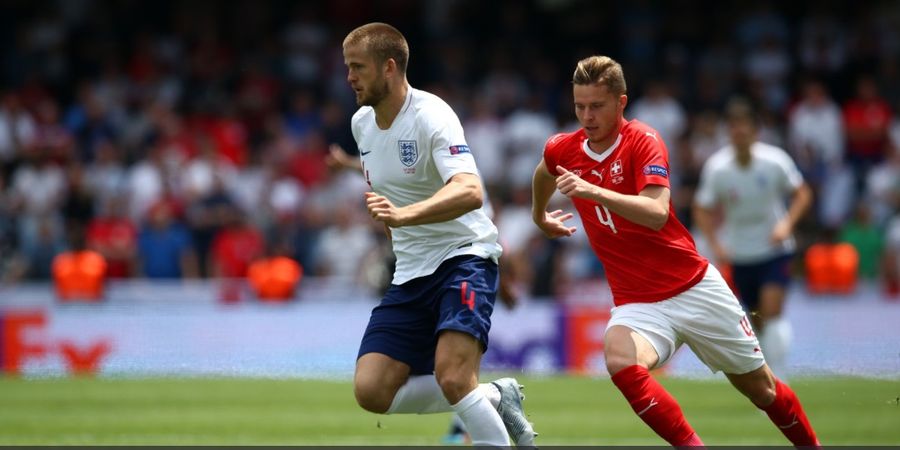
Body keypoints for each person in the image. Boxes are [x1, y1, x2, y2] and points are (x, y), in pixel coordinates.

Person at [531, 55, 818, 446]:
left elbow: (655, 212)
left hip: (693, 287)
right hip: (638, 302)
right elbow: (546, 169)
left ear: (621, 102)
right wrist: (539, 215)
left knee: (762, 391)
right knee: (618, 360)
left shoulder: (643, 141)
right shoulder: (564, 148)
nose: (586, 116)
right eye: (579, 106)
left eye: (596, 106)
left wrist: (591, 190)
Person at [333, 22, 536, 447]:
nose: (349, 77)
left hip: (464, 257)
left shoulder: (432, 115)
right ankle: (496, 395)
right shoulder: (361, 125)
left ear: (389, 68)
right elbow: (387, 191)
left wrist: (406, 217)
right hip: (411, 273)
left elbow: (470, 189)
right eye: (347, 67)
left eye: (358, 67)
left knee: (454, 377)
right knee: (371, 391)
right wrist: (395, 224)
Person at [693, 100, 813, 373]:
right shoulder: (718, 168)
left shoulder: (775, 161)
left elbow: (803, 194)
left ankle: (781, 378)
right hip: (739, 254)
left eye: (744, 129)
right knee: (755, 319)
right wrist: (715, 244)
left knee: (771, 311)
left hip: (775, 249)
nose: (739, 135)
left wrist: (787, 224)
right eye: (734, 129)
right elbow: (702, 208)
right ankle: (767, 374)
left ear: (755, 132)